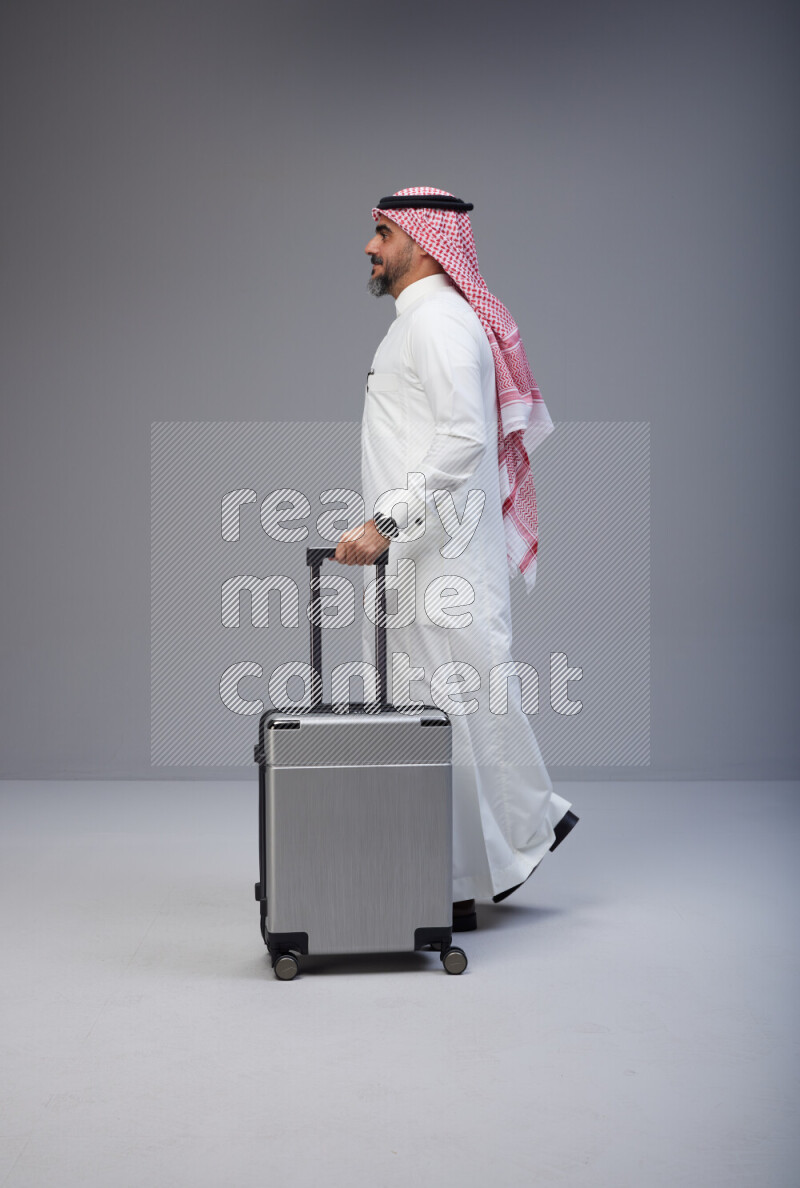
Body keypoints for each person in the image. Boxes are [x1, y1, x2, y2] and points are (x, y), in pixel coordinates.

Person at [334, 186, 577, 932]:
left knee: (461, 702)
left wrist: (386, 519)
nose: (369, 248)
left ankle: (527, 824)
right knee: (436, 709)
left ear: (425, 241)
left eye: (382, 233)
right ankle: (451, 877)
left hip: (441, 557)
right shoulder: (420, 325)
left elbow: (465, 438)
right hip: (420, 556)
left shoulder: (438, 323)